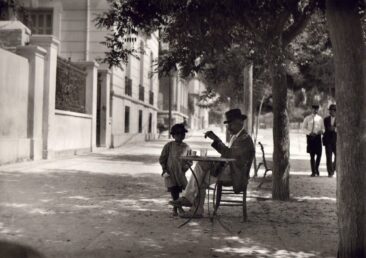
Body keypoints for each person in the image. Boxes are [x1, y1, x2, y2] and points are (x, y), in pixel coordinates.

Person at [170, 108, 255, 218]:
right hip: (231, 170)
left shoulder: (244, 138)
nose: (228, 127)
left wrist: (216, 139)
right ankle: (192, 203)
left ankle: (193, 206)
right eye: (228, 124)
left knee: (199, 179)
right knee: (200, 168)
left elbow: (229, 154)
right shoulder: (237, 137)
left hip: (236, 174)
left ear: (239, 123)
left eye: (231, 124)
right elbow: (228, 155)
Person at [159, 123, 192, 216]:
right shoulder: (169, 146)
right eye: (178, 134)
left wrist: (185, 168)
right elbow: (162, 158)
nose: (180, 136)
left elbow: (190, 160)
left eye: (182, 134)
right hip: (170, 172)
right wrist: (164, 169)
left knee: (182, 190)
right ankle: (178, 208)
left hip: (181, 173)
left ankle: (176, 207)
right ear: (173, 135)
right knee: (174, 190)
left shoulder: (186, 147)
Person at [302, 104, 325, 177]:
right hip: (310, 138)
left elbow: (323, 128)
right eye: (314, 109)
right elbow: (303, 128)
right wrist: (309, 133)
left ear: (318, 110)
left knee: (319, 154)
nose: (315, 110)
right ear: (311, 109)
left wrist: (321, 131)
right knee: (312, 155)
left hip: (318, 137)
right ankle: (313, 172)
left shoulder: (320, 119)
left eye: (317, 109)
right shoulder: (307, 118)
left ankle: (316, 168)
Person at [322, 104, 337, 177]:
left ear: (335, 111)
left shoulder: (340, 119)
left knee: (338, 157)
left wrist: (334, 129)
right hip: (328, 141)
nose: (330, 112)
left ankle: (334, 168)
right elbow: (326, 128)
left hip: (336, 142)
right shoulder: (326, 119)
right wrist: (331, 128)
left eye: (332, 110)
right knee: (329, 157)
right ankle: (330, 173)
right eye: (330, 110)